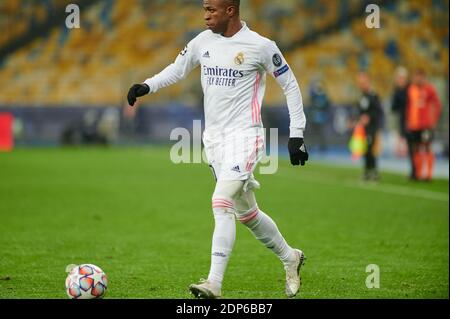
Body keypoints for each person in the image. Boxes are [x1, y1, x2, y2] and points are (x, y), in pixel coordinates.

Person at [127, 0, 308, 299]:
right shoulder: (202, 42)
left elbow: (289, 84)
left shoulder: (260, 46)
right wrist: (147, 86)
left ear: (231, 11)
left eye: (211, 9)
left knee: (220, 201)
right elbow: (177, 69)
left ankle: (214, 283)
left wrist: (296, 133)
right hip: (214, 143)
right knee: (247, 213)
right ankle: (291, 257)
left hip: (245, 138)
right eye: (204, 9)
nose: (206, 15)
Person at [406, 69, 441, 181]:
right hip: (414, 125)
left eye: (420, 77)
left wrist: (434, 120)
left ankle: (429, 174)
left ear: (424, 77)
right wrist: (408, 121)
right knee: (415, 148)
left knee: (426, 147)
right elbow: (409, 107)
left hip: (426, 125)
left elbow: (437, 105)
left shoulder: (429, 89)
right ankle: (418, 173)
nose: (417, 79)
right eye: (416, 77)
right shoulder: (411, 89)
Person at [356, 72, 384, 181]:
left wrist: (369, 117)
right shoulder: (362, 96)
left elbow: (378, 111)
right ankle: (367, 171)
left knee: (371, 149)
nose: (361, 85)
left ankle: (374, 172)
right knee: (366, 149)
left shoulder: (373, 95)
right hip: (364, 128)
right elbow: (360, 111)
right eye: (359, 83)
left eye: (363, 83)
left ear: (368, 82)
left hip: (372, 127)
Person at [391, 66, 415, 179]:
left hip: (414, 122)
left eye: (402, 78)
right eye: (398, 78)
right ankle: (414, 171)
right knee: (410, 147)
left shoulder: (411, 90)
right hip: (405, 123)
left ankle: (417, 171)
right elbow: (394, 108)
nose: (400, 80)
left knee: (415, 147)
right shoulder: (397, 91)